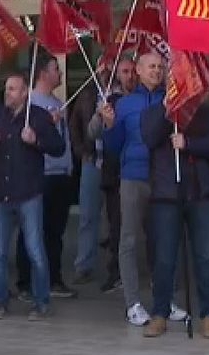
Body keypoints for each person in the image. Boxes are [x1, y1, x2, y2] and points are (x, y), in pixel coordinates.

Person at [140, 87, 209, 338]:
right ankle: (159, 313)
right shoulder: (152, 113)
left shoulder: (204, 113)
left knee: (205, 256)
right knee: (164, 258)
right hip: (167, 193)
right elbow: (150, 138)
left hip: (200, 193)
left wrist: (189, 143)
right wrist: (168, 113)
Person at [0, 74, 64, 320]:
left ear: (25, 92)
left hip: (28, 192)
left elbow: (58, 147)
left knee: (35, 249)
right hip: (0, 194)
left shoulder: (37, 116)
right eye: (7, 88)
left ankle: (41, 302)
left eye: (13, 89)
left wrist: (36, 140)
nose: (8, 93)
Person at [100, 52, 169, 326]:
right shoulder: (126, 103)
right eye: (151, 66)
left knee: (162, 240)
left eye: (160, 67)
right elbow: (114, 146)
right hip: (132, 177)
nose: (156, 71)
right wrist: (108, 125)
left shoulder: (170, 101)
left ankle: (163, 299)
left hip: (162, 179)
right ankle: (133, 303)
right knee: (128, 240)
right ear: (138, 70)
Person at [23, 57, 76, 300]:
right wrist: (47, 122)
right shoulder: (30, 102)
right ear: (43, 73)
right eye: (56, 69)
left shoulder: (58, 103)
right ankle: (27, 282)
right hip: (40, 174)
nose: (61, 73)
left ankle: (54, 279)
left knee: (56, 232)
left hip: (60, 175)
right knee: (35, 231)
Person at [97, 56, 137, 294]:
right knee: (117, 227)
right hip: (115, 175)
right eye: (125, 71)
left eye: (133, 71)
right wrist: (103, 118)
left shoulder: (147, 99)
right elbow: (94, 132)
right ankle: (116, 273)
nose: (129, 76)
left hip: (141, 173)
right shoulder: (110, 101)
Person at [68, 66, 104, 286]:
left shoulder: (124, 92)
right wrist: (81, 152)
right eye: (102, 64)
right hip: (92, 161)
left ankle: (118, 268)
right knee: (88, 216)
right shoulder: (87, 92)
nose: (105, 68)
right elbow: (74, 125)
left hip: (116, 163)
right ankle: (84, 264)